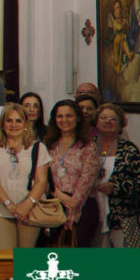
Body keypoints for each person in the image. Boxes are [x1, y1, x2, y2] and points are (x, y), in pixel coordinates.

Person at [0, 104, 51, 249]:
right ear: (2, 124)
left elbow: (41, 181)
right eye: (9, 120)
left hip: (29, 208)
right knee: (5, 257)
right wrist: (9, 204)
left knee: (25, 257)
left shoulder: (38, 147)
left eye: (18, 121)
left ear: (25, 124)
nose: (13, 125)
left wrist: (26, 204)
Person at [44, 100, 100, 247]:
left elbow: (86, 182)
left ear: (78, 118)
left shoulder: (88, 146)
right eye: (59, 116)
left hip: (81, 207)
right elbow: (42, 177)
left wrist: (72, 214)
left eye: (68, 116)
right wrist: (58, 194)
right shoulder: (49, 145)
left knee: (77, 261)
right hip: (54, 203)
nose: (64, 120)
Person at [93, 103, 140, 248]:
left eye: (112, 119)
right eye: (103, 118)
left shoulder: (129, 149)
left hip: (122, 218)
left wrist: (115, 187)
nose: (107, 121)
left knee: (122, 267)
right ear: (96, 121)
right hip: (93, 214)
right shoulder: (88, 146)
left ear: (120, 125)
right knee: (93, 266)